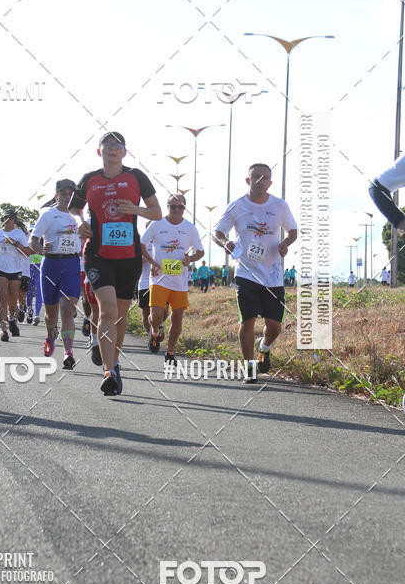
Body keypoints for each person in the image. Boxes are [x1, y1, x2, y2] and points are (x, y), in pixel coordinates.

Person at [69, 131, 161, 396]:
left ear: (124, 152)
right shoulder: (89, 179)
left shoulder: (136, 177)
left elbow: (157, 211)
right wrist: (80, 223)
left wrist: (137, 210)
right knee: (107, 310)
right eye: (107, 145)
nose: (112, 149)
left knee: (119, 314)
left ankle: (115, 362)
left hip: (129, 256)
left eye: (117, 145)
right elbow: (75, 208)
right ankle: (108, 371)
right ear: (99, 151)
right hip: (97, 253)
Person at [213, 163, 298, 380]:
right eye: (256, 177)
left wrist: (285, 243)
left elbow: (293, 230)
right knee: (247, 321)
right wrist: (225, 243)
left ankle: (265, 347)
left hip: (273, 275)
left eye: (265, 177)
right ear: (248, 180)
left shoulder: (279, 206)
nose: (260, 180)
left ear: (270, 182)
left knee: (275, 325)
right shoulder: (237, 206)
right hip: (246, 272)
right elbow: (218, 231)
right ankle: (249, 367)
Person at [141, 194, 204, 365]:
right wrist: (152, 261)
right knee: (156, 315)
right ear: (167, 207)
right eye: (172, 206)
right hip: (159, 279)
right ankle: (155, 332)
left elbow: (200, 252)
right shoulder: (157, 224)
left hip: (179, 281)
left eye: (180, 206)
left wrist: (189, 259)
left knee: (177, 317)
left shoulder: (190, 228)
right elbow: (141, 243)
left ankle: (170, 352)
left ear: (184, 208)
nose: (176, 210)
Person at [30, 180, 81, 368]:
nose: (68, 197)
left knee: (67, 309)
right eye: (64, 193)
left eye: (71, 194)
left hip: (71, 264)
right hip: (51, 263)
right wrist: (40, 248)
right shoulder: (48, 214)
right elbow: (32, 240)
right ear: (56, 195)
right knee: (51, 314)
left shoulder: (79, 217)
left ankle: (68, 352)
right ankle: (50, 336)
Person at [0, 212, 32, 341]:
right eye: (4, 218)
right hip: (0, 269)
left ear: (14, 221)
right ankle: (3, 330)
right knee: (3, 300)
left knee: (13, 300)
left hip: (15, 270)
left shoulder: (19, 234)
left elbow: (27, 253)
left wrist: (15, 243)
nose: (7, 220)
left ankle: (12, 320)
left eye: (10, 218)